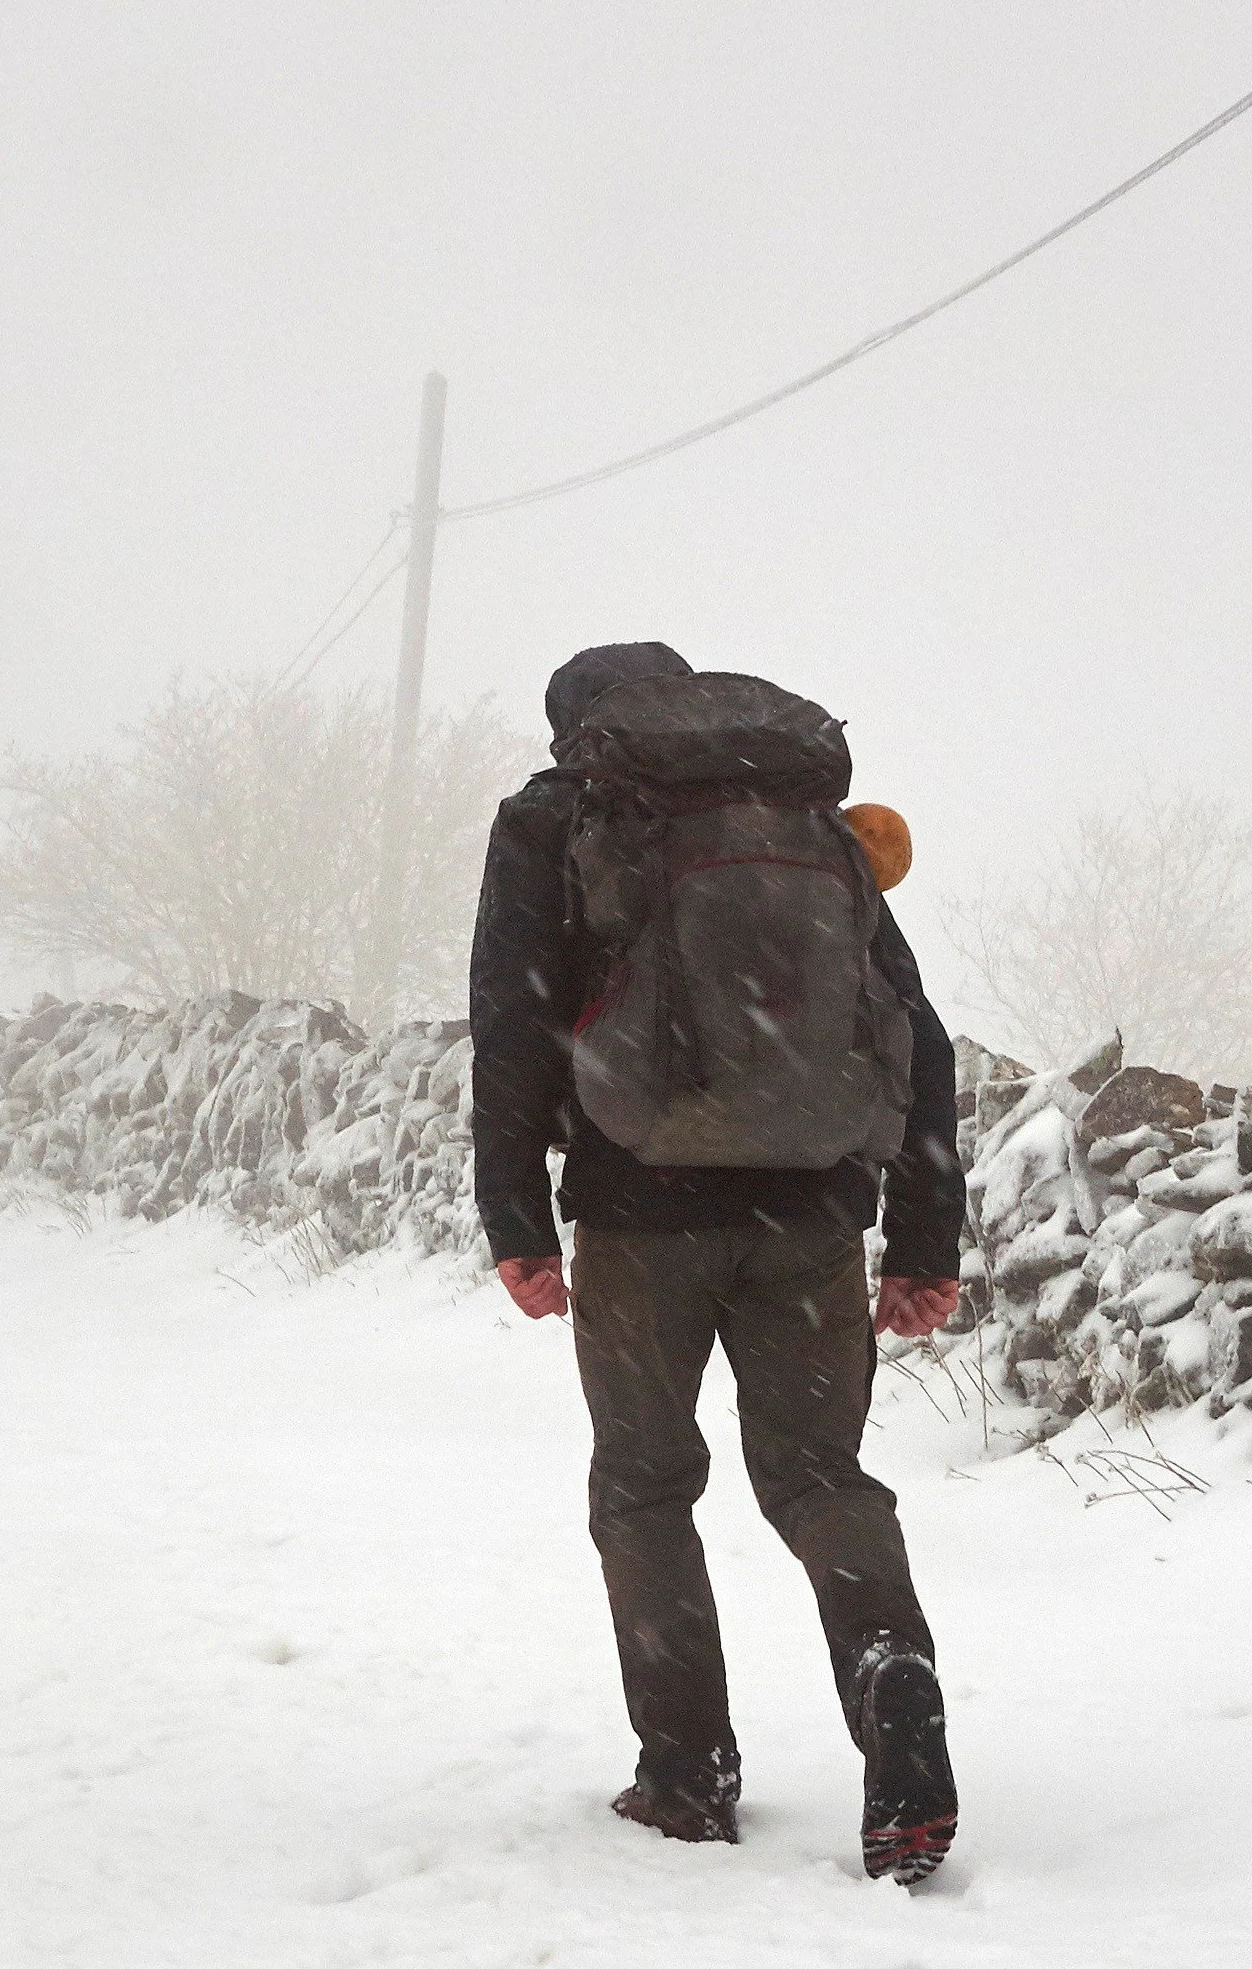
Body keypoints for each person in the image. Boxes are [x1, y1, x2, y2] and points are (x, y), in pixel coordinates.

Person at [468, 640, 966, 1884]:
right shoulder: (798, 818)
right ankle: (886, 1662)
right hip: (810, 1207)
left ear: (575, 729)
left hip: (642, 1215)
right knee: (816, 1476)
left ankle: (687, 1773)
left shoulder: (562, 818)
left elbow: (513, 1017)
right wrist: (920, 1239)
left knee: (643, 1487)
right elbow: (917, 1034)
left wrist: (516, 1218)